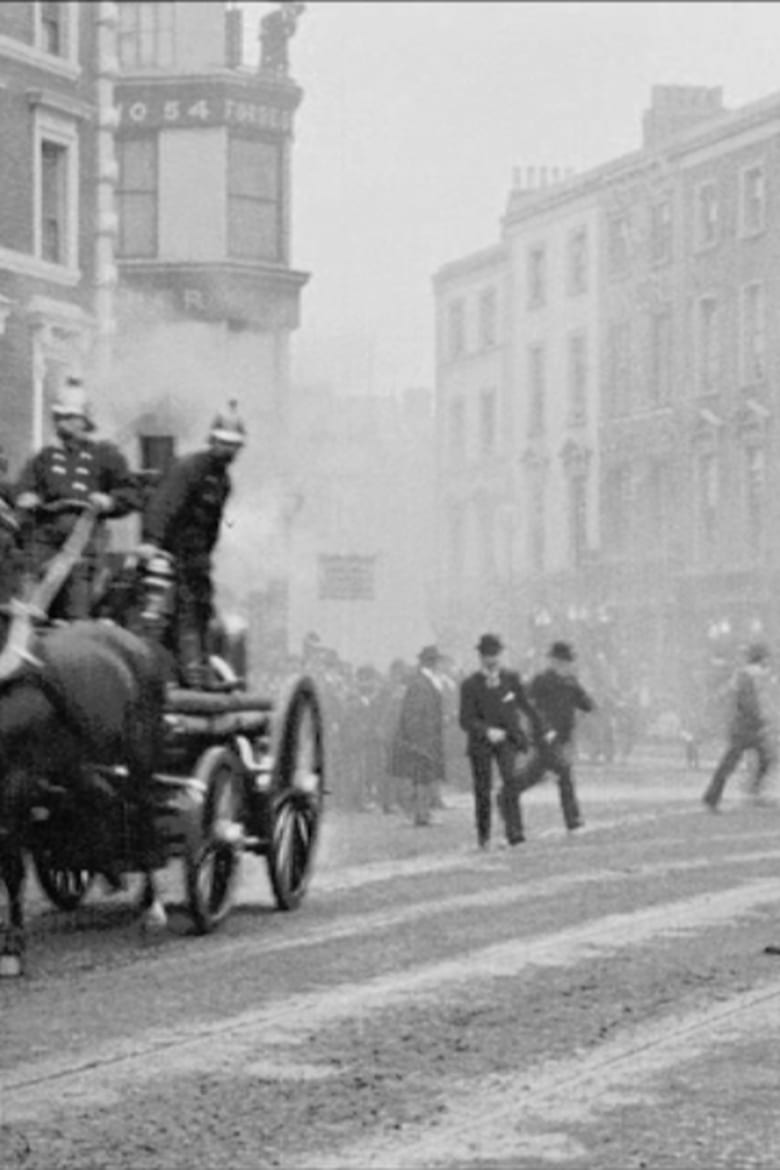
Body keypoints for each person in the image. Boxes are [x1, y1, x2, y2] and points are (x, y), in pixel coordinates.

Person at [14, 378, 141, 620]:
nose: (61, 422)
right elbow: (23, 487)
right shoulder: (45, 457)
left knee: (76, 608)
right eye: (59, 417)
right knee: (26, 597)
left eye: (67, 416)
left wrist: (109, 501)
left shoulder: (104, 455)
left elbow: (131, 493)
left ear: (82, 420)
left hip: (83, 542)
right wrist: (26, 496)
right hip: (43, 540)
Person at [139, 402, 246, 689]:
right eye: (224, 443)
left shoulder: (223, 482)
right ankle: (194, 677)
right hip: (174, 556)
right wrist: (152, 542)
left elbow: (211, 527)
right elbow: (164, 504)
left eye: (234, 446)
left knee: (201, 611)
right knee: (183, 614)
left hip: (197, 559)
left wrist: (206, 558)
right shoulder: (189, 468)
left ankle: (199, 670)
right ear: (212, 440)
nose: (228, 451)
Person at [459, 633, 541, 850]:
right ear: (480, 657)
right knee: (482, 789)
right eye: (487, 655)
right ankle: (484, 836)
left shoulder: (511, 679)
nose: (491, 659)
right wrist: (486, 731)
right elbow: (465, 719)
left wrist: (541, 727)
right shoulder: (470, 684)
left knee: (511, 784)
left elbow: (525, 706)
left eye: (494, 654)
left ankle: (515, 832)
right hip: (481, 742)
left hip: (508, 740)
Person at [516, 640, 594, 833]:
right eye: (561, 661)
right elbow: (524, 699)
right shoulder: (542, 680)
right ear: (553, 662)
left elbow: (586, 704)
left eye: (567, 662)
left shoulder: (571, 682)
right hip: (546, 736)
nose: (565, 665)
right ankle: (572, 818)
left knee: (535, 774)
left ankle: (507, 794)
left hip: (562, 737)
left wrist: (585, 704)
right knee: (564, 772)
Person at [702, 640, 777, 812]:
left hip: (744, 726)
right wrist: (760, 716)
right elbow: (751, 701)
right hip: (748, 726)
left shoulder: (744, 674)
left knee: (735, 762)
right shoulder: (752, 675)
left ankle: (713, 797)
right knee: (762, 759)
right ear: (761, 658)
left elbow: (728, 693)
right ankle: (750, 791)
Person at [390, 645, 446, 827]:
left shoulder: (424, 682)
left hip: (427, 736)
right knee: (422, 776)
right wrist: (417, 739)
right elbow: (413, 714)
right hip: (422, 738)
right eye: (437, 661)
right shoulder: (421, 684)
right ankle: (421, 814)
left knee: (425, 776)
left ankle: (424, 813)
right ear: (432, 663)